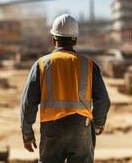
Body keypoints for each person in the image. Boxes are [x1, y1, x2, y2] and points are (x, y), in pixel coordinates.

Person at [20, 14, 110, 163]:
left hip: (51, 128)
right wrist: (98, 123)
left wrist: (27, 133)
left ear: (53, 39)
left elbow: (28, 102)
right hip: (81, 127)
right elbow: (103, 100)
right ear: (75, 39)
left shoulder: (42, 64)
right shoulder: (88, 65)